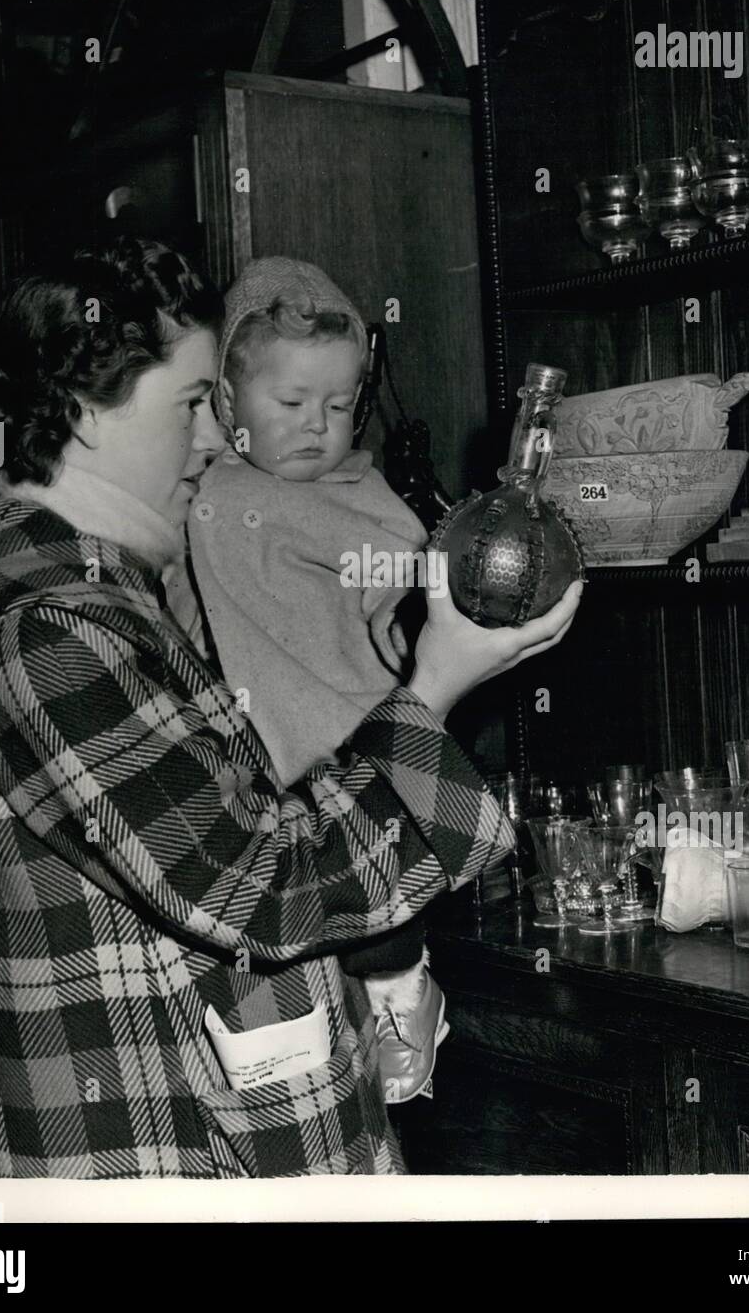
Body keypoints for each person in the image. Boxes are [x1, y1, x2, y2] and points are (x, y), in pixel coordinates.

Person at [0, 236, 583, 1179]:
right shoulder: (49, 633)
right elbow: (266, 885)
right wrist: (432, 686)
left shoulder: (90, 598)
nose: (211, 437)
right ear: (80, 413)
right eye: (193, 403)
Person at [171, 257, 443, 1105]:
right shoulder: (201, 484)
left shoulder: (358, 495)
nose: (316, 427)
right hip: (241, 761)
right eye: (289, 405)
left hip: (347, 743)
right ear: (224, 403)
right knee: (266, 929)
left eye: (337, 406)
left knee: (378, 909)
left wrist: (408, 614)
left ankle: (406, 999)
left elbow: (405, 578)